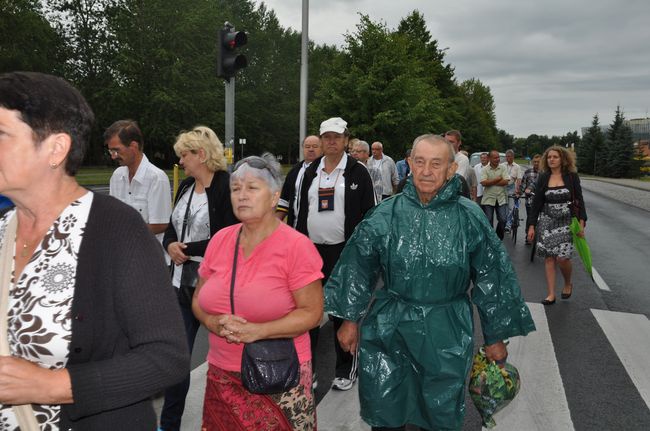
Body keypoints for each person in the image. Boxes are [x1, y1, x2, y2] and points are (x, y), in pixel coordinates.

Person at [0, 71, 188, 429]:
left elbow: (166, 357)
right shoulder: (2, 229)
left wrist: (54, 386)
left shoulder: (118, 230)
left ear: (55, 148)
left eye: (1, 134)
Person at [325, 134, 535, 431]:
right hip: (390, 329)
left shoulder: (469, 217)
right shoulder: (386, 214)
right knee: (386, 407)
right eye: (420, 162)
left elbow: (493, 276)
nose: (426, 170)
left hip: (445, 330)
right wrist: (349, 319)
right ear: (409, 164)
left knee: (439, 413)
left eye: (436, 164)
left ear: (452, 169)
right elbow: (358, 266)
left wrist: (496, 336)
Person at [192, 154, 324, 430]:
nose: (242, 195)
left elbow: (312, 314)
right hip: (221, 375)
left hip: (278, 378)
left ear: (274, 197)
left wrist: (257, 331)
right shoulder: (219, 240)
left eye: (252, 188)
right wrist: (211, 321)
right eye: (236, 188)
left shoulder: (296, 247)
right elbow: (198, 301)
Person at [159, 126, 237, 431]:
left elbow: (228, 236)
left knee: (227, 360)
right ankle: (168, 424)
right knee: (178, 359)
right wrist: (170, 245)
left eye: (185, 154)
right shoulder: (186, 187)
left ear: (201, 155)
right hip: (179, 285)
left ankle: (227, 420)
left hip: (214, 288)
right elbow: (172, 226)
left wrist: (186, 249)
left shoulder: (226, 186)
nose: (180, 161)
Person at [296, 117, 375, 391]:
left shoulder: (357, 171)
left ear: (345, 140)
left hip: (345, 250)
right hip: (311, 252)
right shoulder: (310, 171)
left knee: (343, 313)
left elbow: (371, 217)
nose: (331, 142)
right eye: (326, 137)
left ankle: (346, 368)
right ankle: (310, 369)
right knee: (310, 314)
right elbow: (300, 211)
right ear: (321, 140)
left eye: (336, 137)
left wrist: (364, 252)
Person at [527, 146, 587, 305]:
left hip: (566, 221)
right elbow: (536, 203)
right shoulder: (543, 177)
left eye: (555, 157)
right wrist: (532, 226)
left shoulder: (571, 177)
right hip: (547, 220)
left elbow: (579, 200)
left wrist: (581, 223)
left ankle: (567, 283)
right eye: (549, 157)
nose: (551, 159)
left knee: (562, 258)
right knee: (549, 258)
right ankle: (551, 294)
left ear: (563, 160)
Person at [105, 119, 172, 248]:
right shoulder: (117, 176)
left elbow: (161, 224)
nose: (113, 156)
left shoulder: (157, 178)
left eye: (116, 150)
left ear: (134, 146)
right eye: (111, 151)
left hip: (149, 259)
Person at [276, 135, 322, 227]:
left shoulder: (328, 170)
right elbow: (284, 201)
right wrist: (273, 224)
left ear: (322, 149)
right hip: (298, 227)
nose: (311, 149)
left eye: (315, 146)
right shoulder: (294, 172)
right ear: (302, 149)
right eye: (307, 147)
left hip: (322, 230)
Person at [481, 150, 510, 240]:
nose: (498, 159)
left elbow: (506, 181)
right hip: (488, 199)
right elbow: (483, 183)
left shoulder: (503, 168)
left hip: (501, 198)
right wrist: (497, 179)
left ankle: (498, 238)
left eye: (498, 157)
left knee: (503, 220)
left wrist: (491, 181)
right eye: (495, 157)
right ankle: (490, 240)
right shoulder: (485, 169)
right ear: (489, 158)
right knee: (488, 221)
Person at [351, 139, 382, 204]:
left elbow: (378, 195)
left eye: (358, 151)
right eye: (353, 151)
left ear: (367, 154)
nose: (354, 154)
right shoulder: (347, 170)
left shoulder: (374, 171)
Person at [521, 153, 541, 244]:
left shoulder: (545, 173)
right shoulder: (528, 172)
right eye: (535, 162)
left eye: (538, 162)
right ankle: (528, 235)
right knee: (530, 217)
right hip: (530, 198)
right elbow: (523, 184)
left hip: (541, 200)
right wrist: (522, 191)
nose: (536, 163)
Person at [504, 149, 523, 231]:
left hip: (512, 187)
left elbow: (519, 180)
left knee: (511, 207)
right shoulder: (502, 165)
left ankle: (508, 225)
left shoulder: (517, 167)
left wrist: (518, 191)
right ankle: (505, 222)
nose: (507, 158)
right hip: (503, 187)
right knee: (504, 207)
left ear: (513, 157)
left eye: (509, 156)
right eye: (506, 156)